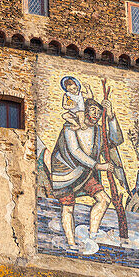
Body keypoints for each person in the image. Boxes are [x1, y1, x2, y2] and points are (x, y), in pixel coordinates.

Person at [49, 97, 125, 249]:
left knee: (103, 199)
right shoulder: (70, 127)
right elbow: (75, 151)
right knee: (68, 207)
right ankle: (71, 243)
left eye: (99, 111)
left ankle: (93, 235)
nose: (96, 114)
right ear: (84, 111)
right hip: (64, 174)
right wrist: (98, 166)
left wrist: (110, 117)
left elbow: (115, 140)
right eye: (93, 110)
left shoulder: (98, 130)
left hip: (84, 174)